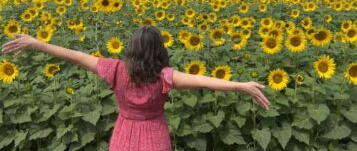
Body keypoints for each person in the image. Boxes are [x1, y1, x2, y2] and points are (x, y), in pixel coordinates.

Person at [1, 25, 270, 151]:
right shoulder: (165, 76)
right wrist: (241, 85)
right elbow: (206, 82)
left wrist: (37, 44)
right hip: (155, 137)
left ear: (131, 48)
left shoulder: (115, 69)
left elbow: (74, 55)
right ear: (159, 50)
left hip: (123, 137)